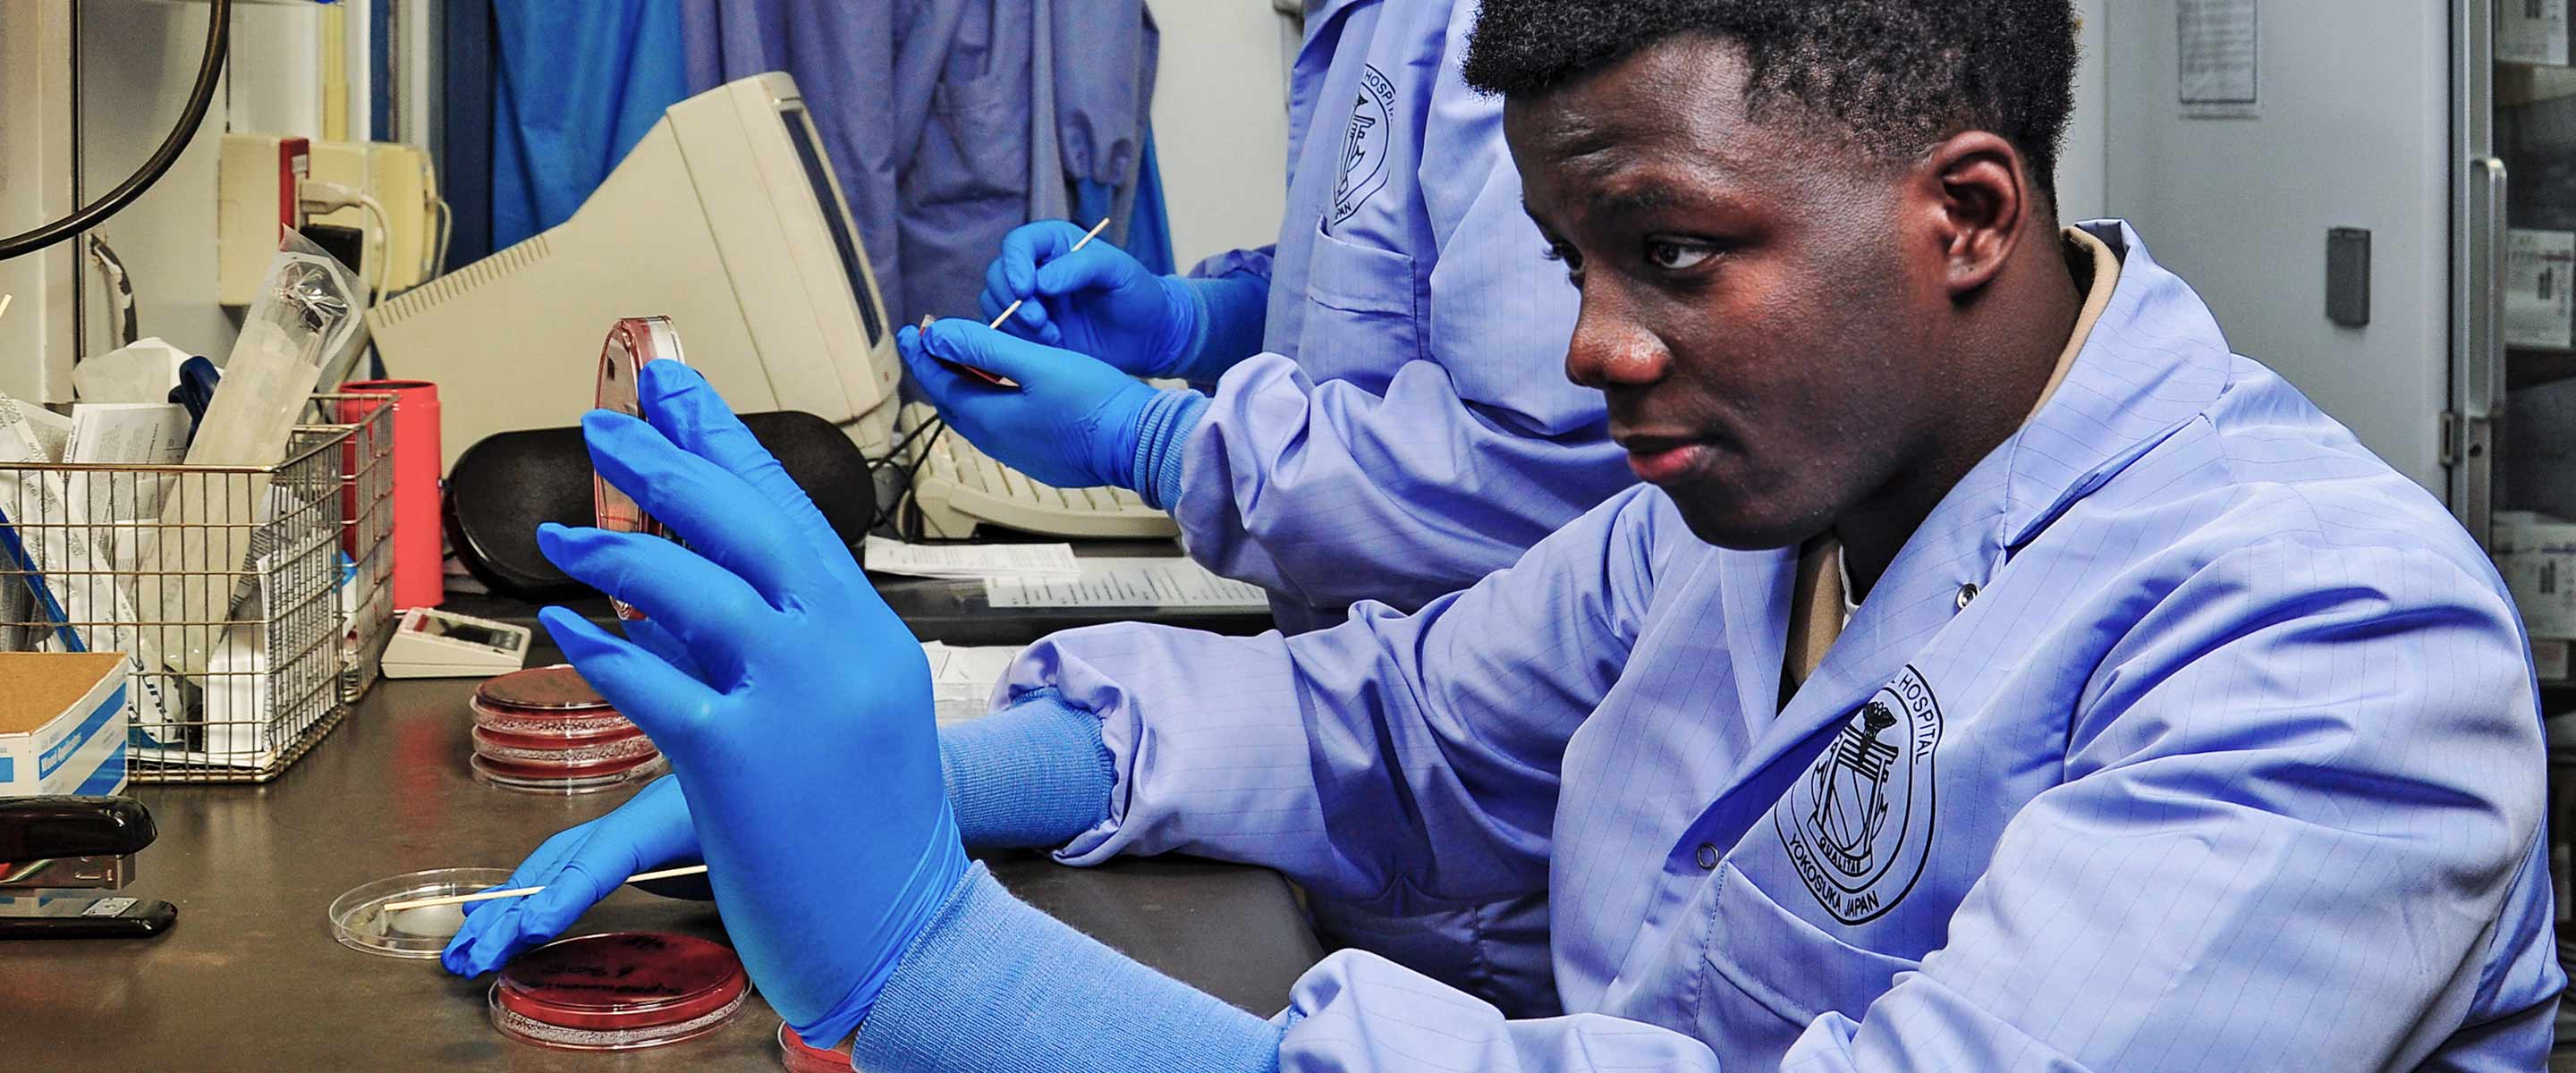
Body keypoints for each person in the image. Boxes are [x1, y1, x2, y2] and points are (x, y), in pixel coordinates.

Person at [444, 1, 2565, 1069]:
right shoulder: (1753, 508)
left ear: (1968, 218)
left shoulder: (2339, 648)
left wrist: (936, 956)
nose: (1589, 350)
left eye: (1666, 253)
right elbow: (1401, 723)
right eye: (1568, 258)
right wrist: (942, 747)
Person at [895, 0, 1636, 631]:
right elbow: (1396, 291)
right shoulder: (1371, 17)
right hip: (1372, 669)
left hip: (1488, 710)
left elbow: (1536, 480)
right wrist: (1195, 319)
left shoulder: (1502, 27)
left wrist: (1156, 443)